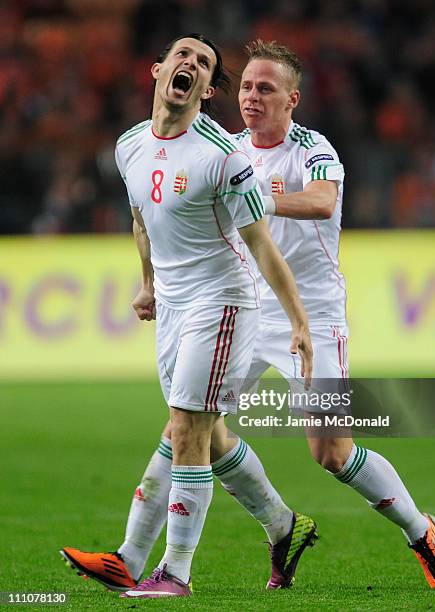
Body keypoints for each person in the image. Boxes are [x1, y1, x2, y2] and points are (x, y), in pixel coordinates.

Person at [63, 38, 435, 595]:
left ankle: (420, 530)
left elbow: (321, 201)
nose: (251, 96)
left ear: (291, 100)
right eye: (245, 85)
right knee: (188, 429)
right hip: (241, 304)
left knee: (331, 451)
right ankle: (227, 536)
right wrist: (152, 282)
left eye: (265, 88)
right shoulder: (228, 147)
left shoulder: (311, 148)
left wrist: (260, 195)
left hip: (312, 314)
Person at [61, 34, 315, 598]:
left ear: (206, 88)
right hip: (174, 305)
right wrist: (149, 285)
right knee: (206, 433)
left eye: (204, 64)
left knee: (185, 427)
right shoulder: (129, 145)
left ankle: (170, 569)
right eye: (183, 56)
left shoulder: (223, 156)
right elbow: (140, 219)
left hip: (223, 301)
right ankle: (283, 525)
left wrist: (298, 319)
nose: (192, 65)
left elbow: (261, 244)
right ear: (157, 70)